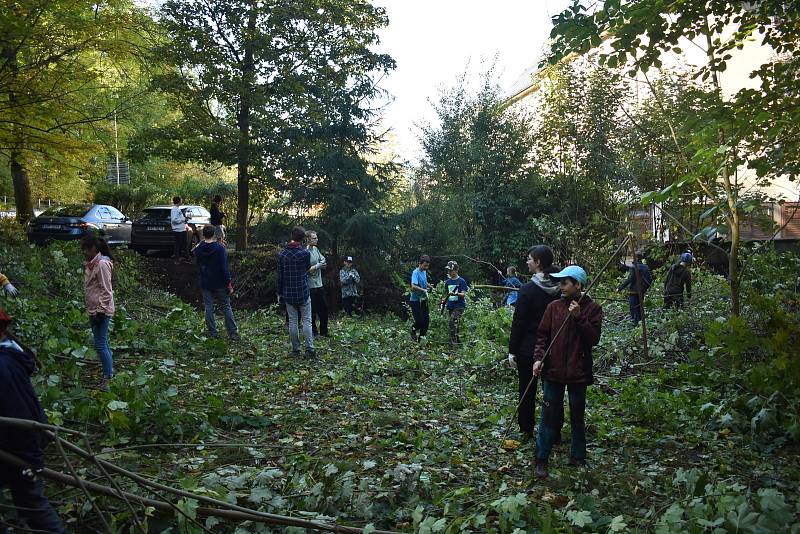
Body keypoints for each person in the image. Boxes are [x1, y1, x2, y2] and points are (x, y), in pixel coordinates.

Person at [532, 265, 603, 478]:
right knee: (548, 415)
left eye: (565, 282)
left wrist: (579, 317)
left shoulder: (593, 309)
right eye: (560, 282)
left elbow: (593, 339)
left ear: (578, 285)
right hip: (552, 372)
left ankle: (578, 456)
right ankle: (541, 459)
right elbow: (542, 336)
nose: (560, 286)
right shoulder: (553, 307)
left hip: (578, 373)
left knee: (577, 417)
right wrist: (538, 359)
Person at [0, 310, 65, 533]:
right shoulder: (9, 356)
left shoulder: (4, 367)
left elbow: (20, 416)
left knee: (31, 503)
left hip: (18, 448)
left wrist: (31, 461)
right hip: (13, 444)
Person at [507, 245, 562, 440]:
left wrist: (512, 350)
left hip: (529, 348)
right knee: (553, 392)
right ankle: (554, 431)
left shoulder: (528, 290)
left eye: (530, 259)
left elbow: (519, 322)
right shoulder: (561, 288)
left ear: (538, 263)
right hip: (554, 346)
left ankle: (526, 429)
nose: (527, 262)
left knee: (527, 390)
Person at [82, 234, 115, 386]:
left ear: (93, 248)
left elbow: (106, 290)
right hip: (93, 309)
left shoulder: (102, 264)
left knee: (100, 344)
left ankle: (107, 377)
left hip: (101, 310)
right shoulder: (92, 264)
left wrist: (101, 312)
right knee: (103, 343)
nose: (84, 253)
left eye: (86, 250)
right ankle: (108, 373)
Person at [195, 225, 239, 340]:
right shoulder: (220, 249)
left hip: (205, 282)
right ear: (214, 234)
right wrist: (228, 284)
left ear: (203, 234)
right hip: (219, 282)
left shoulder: (198, 249)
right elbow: (224, 268)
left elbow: (198, 265)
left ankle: (213, 333)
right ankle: (233, 333)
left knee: (208, 307)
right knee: (226, 306)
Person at [277, 226, 315, 358]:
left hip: (288, 292)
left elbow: (280, 276)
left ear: (291, 236)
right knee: (307, 321)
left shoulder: (282, 254)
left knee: (293, 321)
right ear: (303, 238)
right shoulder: (305, 253)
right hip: (303, 291)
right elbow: (308, 268)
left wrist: (279, 292)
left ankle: (296, 349)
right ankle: (310, 349)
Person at [617, 253, 652, 325]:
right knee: (640, 308)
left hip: (633, 292)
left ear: (635, 258)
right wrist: (645, 288)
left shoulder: (634, 267)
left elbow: (630, 279)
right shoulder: (646, 267)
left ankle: (635, 324)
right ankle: (641, 324)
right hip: (641, 292)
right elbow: (650, 280)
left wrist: (620, 288)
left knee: (633, 309)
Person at [306, 231, 328, 336]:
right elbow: (306, 270)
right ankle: (313, 332)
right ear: (308, 239)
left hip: (319, 284)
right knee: (312, 311)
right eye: (314, 238)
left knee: (324, 309)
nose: (317, 239)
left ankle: (324, 332)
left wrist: (322, 263)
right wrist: (318, 265)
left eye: (316, 237)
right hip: (310, 286)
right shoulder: (305, 252)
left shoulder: (316, 249)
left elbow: (322, 258)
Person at [443, 261, 468, 347]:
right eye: (448, 271)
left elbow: (463, 294)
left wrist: (455, 294)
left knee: (452, 322)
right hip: (450, 306)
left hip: (459, 306)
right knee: (455, 325)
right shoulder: (448, 282)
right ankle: (458, 342)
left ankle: (452, 345)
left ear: (456, 270)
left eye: (451, 270)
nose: (450, 272)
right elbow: (445, 294)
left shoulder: (461, 281)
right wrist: (442, 301)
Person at [409, 255, 431, 341]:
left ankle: (420, 341)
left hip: (424, 300)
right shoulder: (415, 272)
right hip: (415, 301)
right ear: (420, 264)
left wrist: (431, 287)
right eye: (424, 265)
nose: (426, 267)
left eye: (427, 266)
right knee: (419, 321)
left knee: (426, 322)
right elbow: (413, 286)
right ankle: (413, 329)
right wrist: (424, 290)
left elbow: (424, 282)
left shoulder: (424, 272)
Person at [170, 196, 189, 263]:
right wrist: (183, 219)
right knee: (177, 245)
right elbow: (174, 220)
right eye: (181, 200)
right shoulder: (174, 209)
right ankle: (176, 260)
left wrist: (184, 220)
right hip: (178, 230)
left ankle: (186, 258)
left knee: (184, 244)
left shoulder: (177, 209)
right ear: (178, 201)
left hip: (182, 229)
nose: (182, 201)